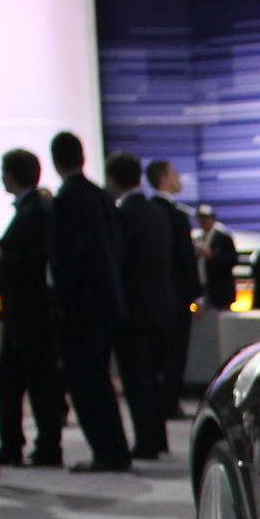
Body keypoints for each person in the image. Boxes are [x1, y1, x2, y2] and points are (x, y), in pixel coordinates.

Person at [48, 130, 130, 472]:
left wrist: (59, 301)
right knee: (99, 381)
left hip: (79, 309)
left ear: (56, 161)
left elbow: (67, 259)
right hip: (105, 304)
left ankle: (106, 451)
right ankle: (115, 448)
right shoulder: (100, 196)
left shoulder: (65, 199)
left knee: (85, 384)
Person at [0, 146, 66, 466]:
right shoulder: (39, 207)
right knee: (24, 380)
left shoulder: (34, 211)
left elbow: (33, 261)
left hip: (29, 313)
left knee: (30, 381)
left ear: (11, 175)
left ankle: (35, 445)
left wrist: (2, 257)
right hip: (29, 313)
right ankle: (24, 444)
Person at [106, 151, 174, 460]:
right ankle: (158, 438)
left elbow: (118, 265)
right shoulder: (157, 214)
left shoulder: (121, 216)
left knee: (136, 382)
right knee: (154, 379)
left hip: (133, 313)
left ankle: (146, 442)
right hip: (160, 308)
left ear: (113, 179)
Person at [145, 159, 201, 425]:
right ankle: (169, 402)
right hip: (177, 297)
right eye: (175, 173)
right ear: (164, 178)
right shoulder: (176, 216)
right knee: (176, 352)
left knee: (156, 354)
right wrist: (196, 294)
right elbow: (185, 259)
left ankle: (156, 400)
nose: (179, 178)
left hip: (151, 296)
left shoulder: (147, 211)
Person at [195, 202, 236, 311]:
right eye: (201, 219)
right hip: (204, 287)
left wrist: (212, 255)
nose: (203, 222)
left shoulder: (223, 239)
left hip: (219, 290)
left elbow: (232, 260)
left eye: (206, 218)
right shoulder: (198, 239)